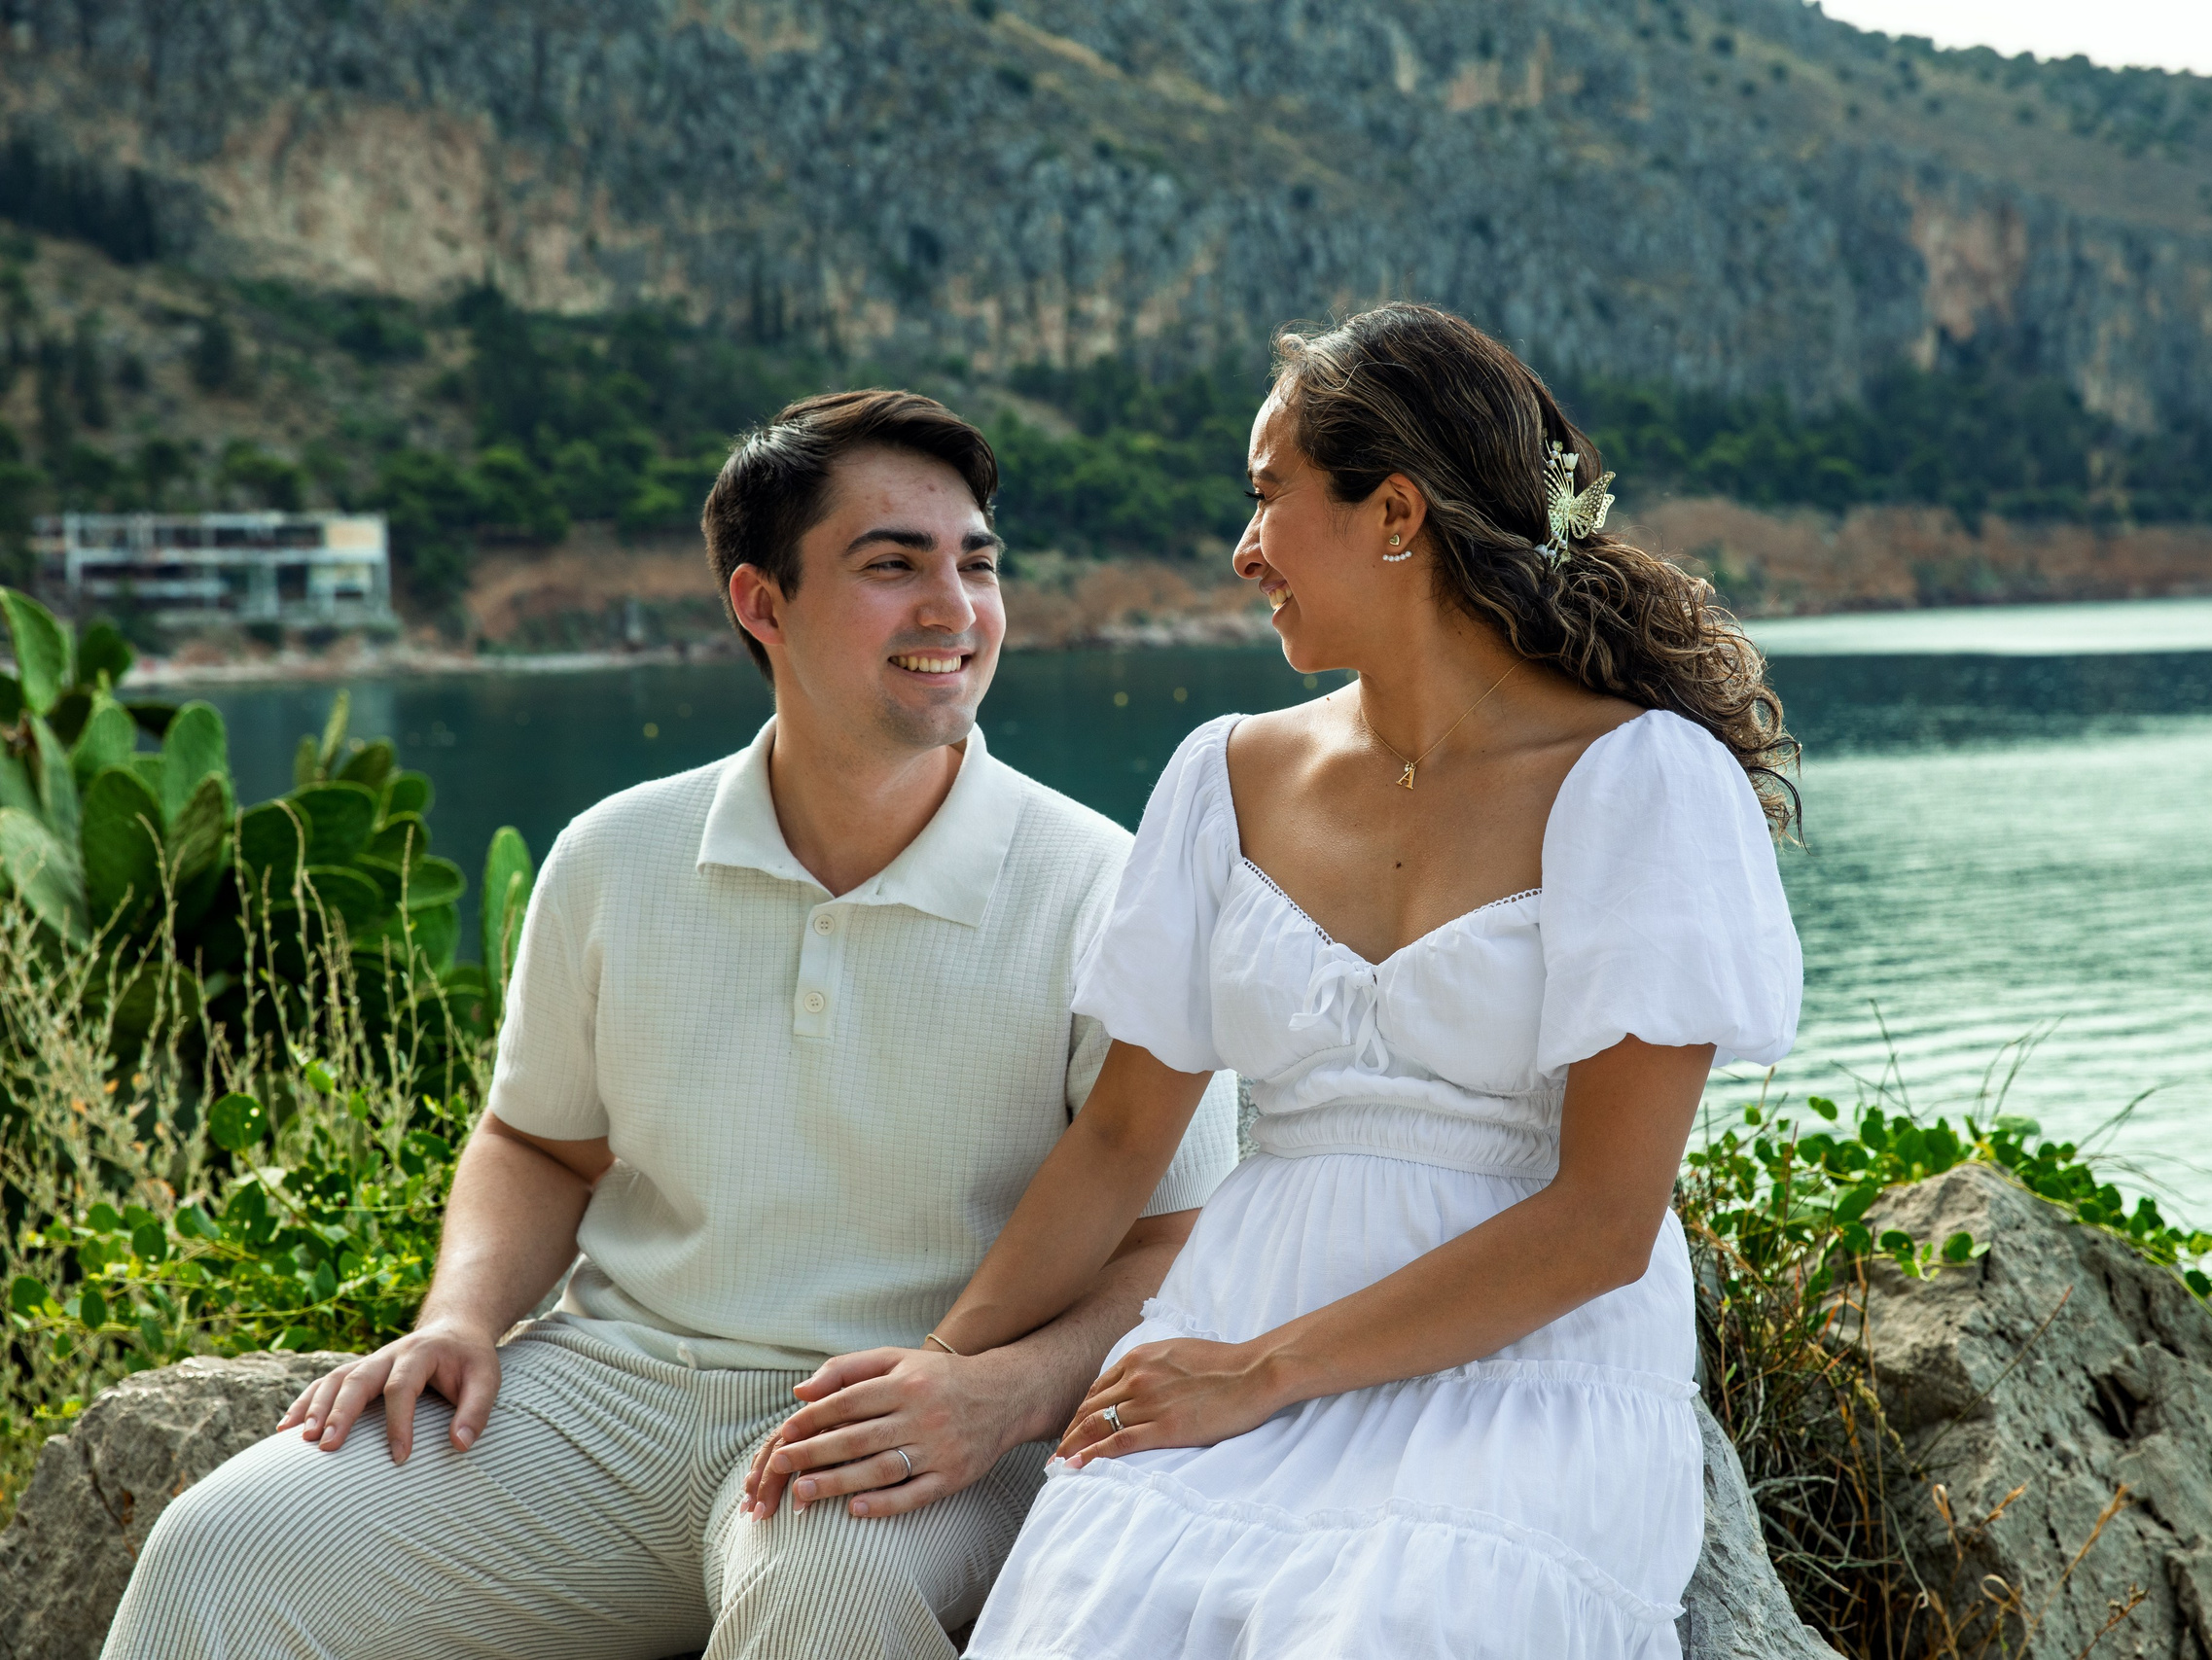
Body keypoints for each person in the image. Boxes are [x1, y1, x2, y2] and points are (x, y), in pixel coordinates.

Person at [102, 389, 1240, 1660]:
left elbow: (1178, 1241)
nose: (954, 609)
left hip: (916, 1427)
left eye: (976, 564)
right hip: (609, 1404)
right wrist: (459, 1317)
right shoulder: (616, 855)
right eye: (892, 565)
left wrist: (1005, 1392)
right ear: (763, 604)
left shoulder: (1100, 886)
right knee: (221, 1552)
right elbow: (537, 1144)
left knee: (822, 1592)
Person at [916, 304, 1803, 1659]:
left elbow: (1604, 1222)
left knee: (1392, 1629)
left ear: (1395, 512)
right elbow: (1120, 1138)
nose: (1244, 549)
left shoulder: (1643, 784)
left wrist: (1262, 1376)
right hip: (1237, 1314)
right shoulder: (1224, 777)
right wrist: (950, 1368)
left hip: (1527, 1372)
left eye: (1269, 498)